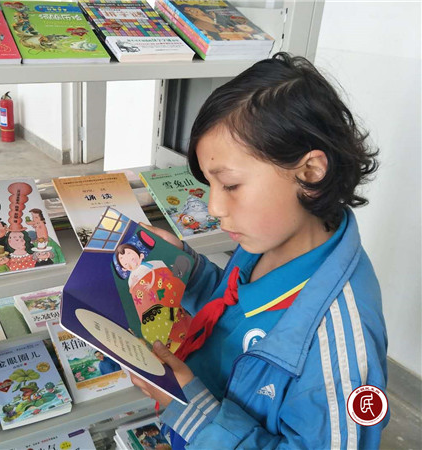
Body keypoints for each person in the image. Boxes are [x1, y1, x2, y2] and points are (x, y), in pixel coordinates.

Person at [130, 52, 387, 449]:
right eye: (210, 185)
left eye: (231, 185)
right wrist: (187, 269)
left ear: (310, 173)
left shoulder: (339, 344)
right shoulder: (267, 241)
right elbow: (237, 309)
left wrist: (194, 414)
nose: (215, 207)